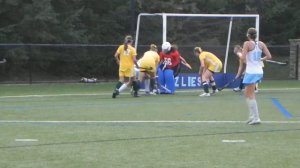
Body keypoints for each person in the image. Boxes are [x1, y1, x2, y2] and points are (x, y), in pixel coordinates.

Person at [241, 27, 272, 125]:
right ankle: (252, 116)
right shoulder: (261, 44)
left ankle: (256, 118)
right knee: (246, 92)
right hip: (258, 71)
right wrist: (261, 59)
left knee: (250, 94)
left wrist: (240, 53)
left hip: (252, 71)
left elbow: (243, 58)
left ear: (248, 35)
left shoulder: (247, 44)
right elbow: (269, 56)